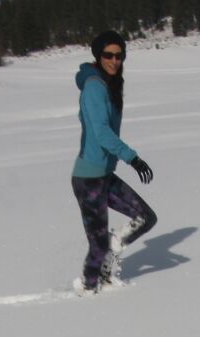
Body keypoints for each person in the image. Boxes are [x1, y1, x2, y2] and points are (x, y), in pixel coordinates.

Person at [71, 31, 157, 293]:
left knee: (145, 217)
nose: (114, 60)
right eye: (108, 55)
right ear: (98, 56)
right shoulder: (94, 87)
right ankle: (88, 289)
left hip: (104, 175)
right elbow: (102, 132)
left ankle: (111, 254)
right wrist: (132, 158)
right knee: (97, 245)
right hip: (89, 179)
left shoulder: (110, 83)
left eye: (119, 55)